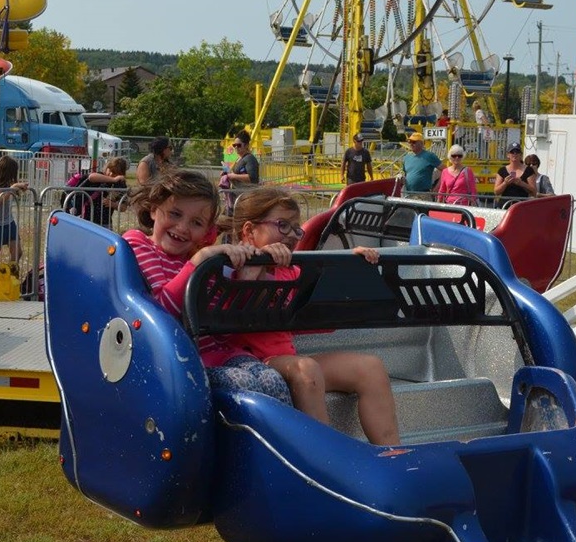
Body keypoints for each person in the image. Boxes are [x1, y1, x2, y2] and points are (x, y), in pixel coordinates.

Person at [221, 188, 400, 445]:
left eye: (296, 229)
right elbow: (235, 319)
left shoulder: (290, 269)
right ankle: (326, 461)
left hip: (286, 358)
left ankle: (391, 453)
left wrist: (354, 261)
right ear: (249, 231)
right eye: (282, 225)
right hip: (250, 362)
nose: (292, 236)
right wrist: (258, 265)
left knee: (370, 367)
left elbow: (320, 282)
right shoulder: (230, 265)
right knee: (306, 368)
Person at [123, 170, 292, 404]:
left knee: (274, 381)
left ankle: (279, 441)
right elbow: (162, 311)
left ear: (207, 231)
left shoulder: (206, 261)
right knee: (245, 384)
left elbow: (223, 328)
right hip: (178, 360)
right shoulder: (140, 244)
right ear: (153, 210)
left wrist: (247, 279)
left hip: (220, 354)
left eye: (196, 222)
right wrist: (198, 262)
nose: (182, 227)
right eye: (174, 213)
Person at [0, 155, 28, 268]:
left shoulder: (7, 185)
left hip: (9, 223)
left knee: (18, 252)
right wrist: (13, 187)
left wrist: (19, 187)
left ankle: (10, 276)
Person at [88, 156, 129, 228]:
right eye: (110, 170)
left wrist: (113, 204)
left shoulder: (120, 185)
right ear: (107, 168)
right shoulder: (101, 176)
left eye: (115, 173)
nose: (111, 174)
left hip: (105, 221)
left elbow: (124, 207)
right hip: (87, 219)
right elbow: (91, 177)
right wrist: (113, 180)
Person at [494, 142, 536, 207]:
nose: (515, 154)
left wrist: (522, 183)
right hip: (504, 207)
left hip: (521, 207)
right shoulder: (502, 170)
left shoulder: (528, 170)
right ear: (508, 155)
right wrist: (505, 183)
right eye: (512, 152)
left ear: (521, 155)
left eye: (517, 152)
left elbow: (534, 192)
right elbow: (496, 191)